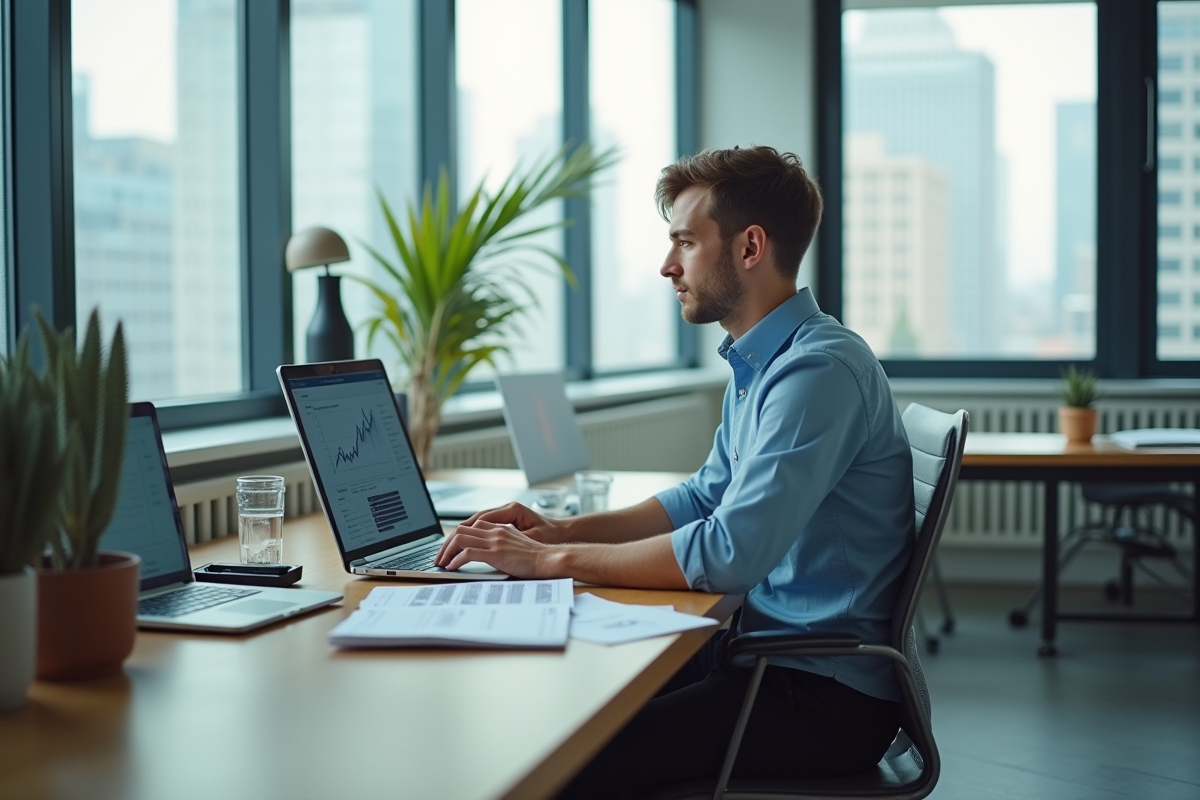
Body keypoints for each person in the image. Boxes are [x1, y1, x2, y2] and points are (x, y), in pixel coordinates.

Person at [435, 145, 915, 799]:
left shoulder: (817, 372)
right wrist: (554, 531)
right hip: (763, 660)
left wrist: (551, 561)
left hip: (817, 698)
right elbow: (703, 498)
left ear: (750, 247)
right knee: (555, 710)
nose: (667, 267)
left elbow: (728, 553)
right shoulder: (765, 365)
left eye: (685, 243)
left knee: (564, 762)